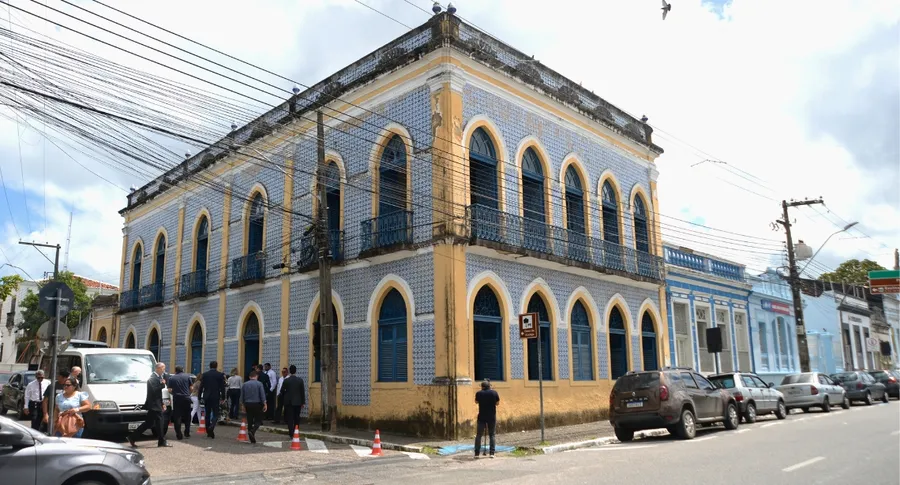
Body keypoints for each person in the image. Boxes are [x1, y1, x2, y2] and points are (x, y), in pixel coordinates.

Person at [127, 362, 171, 448]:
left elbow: (158, 394)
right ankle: (162, 441)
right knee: (160, 422)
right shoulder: (152, 378)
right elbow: (154, 391)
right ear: (158, 368)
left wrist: (162, 403)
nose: (164, 370)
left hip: (156, 404)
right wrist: (162, 384)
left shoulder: (158, 377)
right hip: (154, 405)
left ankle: (132, 437)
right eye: (163, 368)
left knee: (148, 423)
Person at [198, 361, 226, 439]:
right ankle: (212, 426)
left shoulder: (205, 375)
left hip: (206, 396)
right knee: (215, 413)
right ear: (216, 366)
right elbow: (222, 387)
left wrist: (199, 397)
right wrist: (223, 397)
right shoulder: (220, 375)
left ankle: (208, 430)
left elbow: (201, 386)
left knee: (207, 413)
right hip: (215, 396)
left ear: (209, 366)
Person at [474, 380, 500, 458]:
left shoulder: (479, 393)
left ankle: (477, 454)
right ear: (489, 386)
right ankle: (492, 453)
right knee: (492, 435)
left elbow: (476, 401)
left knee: (479, 435)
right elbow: (497, 403)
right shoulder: (494, 393)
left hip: (481, 416)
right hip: (491, 416)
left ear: (482, 387)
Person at [240, 370, 267, 443]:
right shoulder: (259, 384)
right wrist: (265, 403)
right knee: (258, 420)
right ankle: (253, 431)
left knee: (250, 419)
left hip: (248, 404)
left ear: (249, 377)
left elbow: (242, 395)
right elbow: (262, 395)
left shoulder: (245, 384)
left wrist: (242, 405)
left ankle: (251, 436)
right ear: (256, 376)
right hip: (257, 404)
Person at [167, 366, 193, 440]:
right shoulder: (187, 376)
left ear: (175, 371)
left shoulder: (172, 378)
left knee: (177, 416)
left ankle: (179, 434)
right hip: (186, 398)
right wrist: (188, 393)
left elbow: (169, 390)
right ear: (183, 370)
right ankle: (187, 432)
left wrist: (174, 393)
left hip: (177, 398)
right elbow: (191, 388)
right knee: (187, 416)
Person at [279, 365, 306, 435]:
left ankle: (291, 432)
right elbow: (302, 392)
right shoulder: (300, 380)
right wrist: (303, 402)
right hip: (298, 402)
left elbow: (281, 391)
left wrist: (286, 394)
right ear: (295, 371)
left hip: (288, 402)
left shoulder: (286, 380)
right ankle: (296, 431)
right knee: (297, 417)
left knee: (290, 418)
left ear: (289, 371)